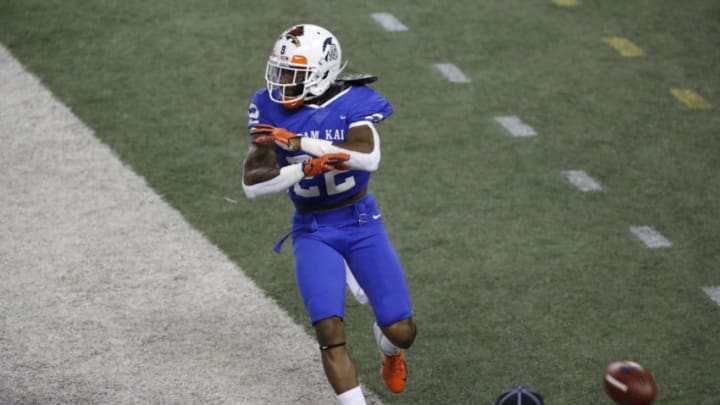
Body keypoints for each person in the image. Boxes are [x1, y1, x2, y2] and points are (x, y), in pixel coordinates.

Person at [241, 24, 416, 405]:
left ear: (322, 73)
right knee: (328, 330)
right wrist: (302, 168)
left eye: (293, 75)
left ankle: (389, 351)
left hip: (360, 221)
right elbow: (252, 185)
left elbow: (368, 157)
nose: (282, 83)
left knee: (402, 329)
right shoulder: (266, 106)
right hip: (313, 229)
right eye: (280, 71)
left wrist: (301, 143)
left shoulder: (355, 100)